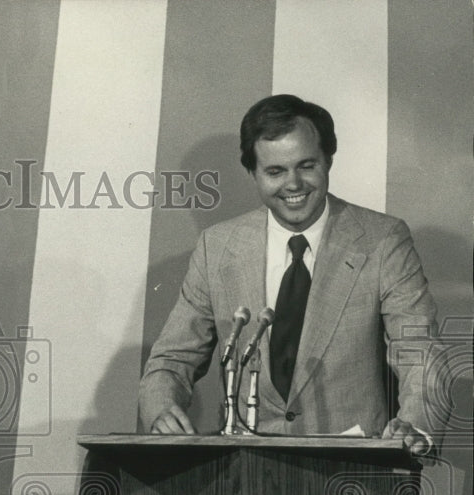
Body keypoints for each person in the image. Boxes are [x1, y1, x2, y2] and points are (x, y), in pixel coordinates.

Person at [138, 94, 446, 454]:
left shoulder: (383, 240)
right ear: (251, 173)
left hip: (355, 474)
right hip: (243, 475)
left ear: (328, 160)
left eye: (306, 165)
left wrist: (415, 427)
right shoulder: (216, 246)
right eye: (275, 171)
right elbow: (172, 360)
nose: (294, 184)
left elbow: (420, 352)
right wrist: (161, 410)